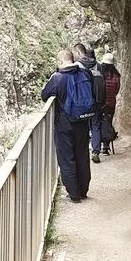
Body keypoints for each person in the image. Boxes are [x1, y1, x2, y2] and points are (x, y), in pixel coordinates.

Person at [41, 49, 92, 202]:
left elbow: (44, 95)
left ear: (60, 62)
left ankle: (74, 195)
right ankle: (83, 191)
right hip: (83, 121)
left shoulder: (57, 78)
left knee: (67, 158)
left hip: (64, 124)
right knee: (82, 155)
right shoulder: (85, 74)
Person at [73, 44, 105, 164]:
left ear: (79, 52)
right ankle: (96, 151)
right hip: (97, 100)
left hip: (82, 102)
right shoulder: (98, 65)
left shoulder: (77, 66)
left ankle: (82, 153)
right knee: (95, 125)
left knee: (82, 126)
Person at [100, 52, 121, 154]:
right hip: (111, 103)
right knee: (108, 123)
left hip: (101, 103)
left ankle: (99, 143)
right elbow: (117, 90)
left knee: (100, 123)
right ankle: (106, 146)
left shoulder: (100, 75)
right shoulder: (116, 76)